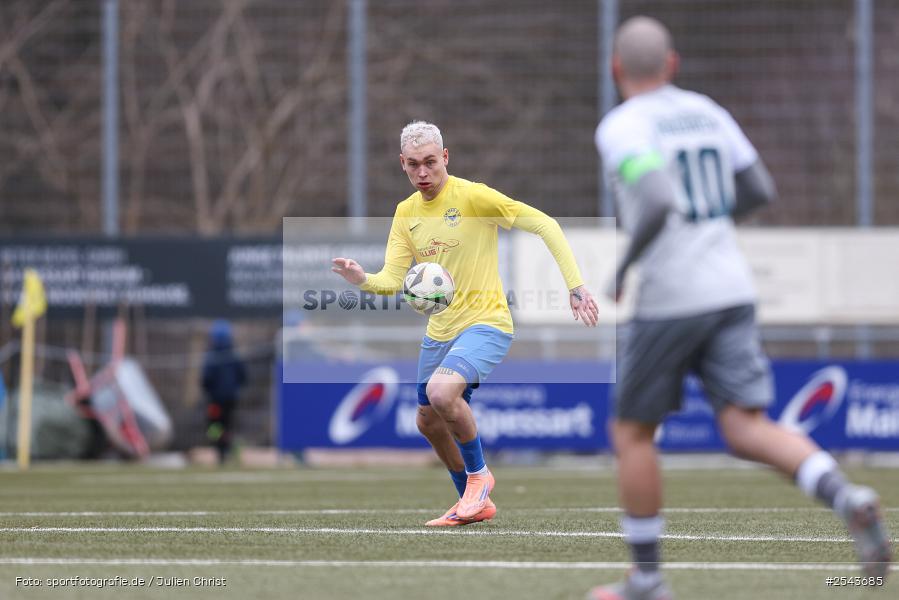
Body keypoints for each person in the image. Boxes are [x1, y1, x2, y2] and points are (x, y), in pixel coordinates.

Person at [589, 16, 892, 600]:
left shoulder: (623, 125)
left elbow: (656, 198)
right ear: (672, 64)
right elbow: (758, 189)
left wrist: (625, 267)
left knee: (632, 432)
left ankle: (646, 580)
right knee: (745, 425)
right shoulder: (707, 111)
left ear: (615, 68)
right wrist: (709, 222)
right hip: (731, 288)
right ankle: (846, 496)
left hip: (673, 296)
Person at [333, 121, 598, 526]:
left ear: (446, 157)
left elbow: (546, 224)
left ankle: (479, 478)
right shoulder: (406, 213)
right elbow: (392, 280)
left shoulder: (473, 197)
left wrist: (575, 286)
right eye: (414, 165)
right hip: (440, 331)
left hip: (486, 322)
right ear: (402, 164)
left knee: (441, 393)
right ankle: (471, 501)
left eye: (431, 162)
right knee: (427, 421)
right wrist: (362, 279)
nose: (423, 172)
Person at [201, 320, 247, 465]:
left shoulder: (212, 356)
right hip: (231, 399)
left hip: (215, 400)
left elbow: (206, 378)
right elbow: (243, 376)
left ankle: (221, 449)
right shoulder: (234, 354)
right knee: (228, 424)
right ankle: (228, 447)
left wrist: (208, 391)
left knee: (214, 426)